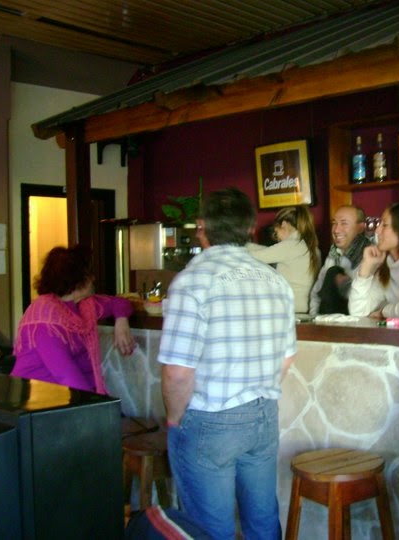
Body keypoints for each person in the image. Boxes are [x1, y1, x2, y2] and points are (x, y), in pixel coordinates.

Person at [158, 188, 296, 540]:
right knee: (262, 522)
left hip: (209, 418)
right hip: (263, 414)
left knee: (210, 530)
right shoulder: (276, 282)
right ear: (249, 228)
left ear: (202, 226)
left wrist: (174, 419)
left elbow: (177, 372)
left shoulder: (191, 282)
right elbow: (287, 358)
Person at [11, 245, 135, 393]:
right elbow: (66, 375)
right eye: (89, 274)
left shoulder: (85, 305)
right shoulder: (45, 318)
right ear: (77, 280)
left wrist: (121, 321)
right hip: (38, 395)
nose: (93, 279)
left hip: (67, 395)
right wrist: (95, 403)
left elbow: (121, 303)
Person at [247, 204, 321, 313]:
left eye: (276, 233)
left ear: (284, 224)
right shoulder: (311, 248)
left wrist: (235, 245)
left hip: (293, 309)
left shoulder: (291, 245)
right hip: (307, 309)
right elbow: (269, 251)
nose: (277, 239)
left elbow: (253, 257)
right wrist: (247, 245)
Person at [308, 205, 372, 315]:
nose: (336, 230)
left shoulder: (372, 255)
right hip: (328, 321)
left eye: (344, 223)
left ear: (361, 228)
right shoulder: (334, 254)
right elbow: (317, 293)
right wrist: (315, 318)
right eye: (334, 223)